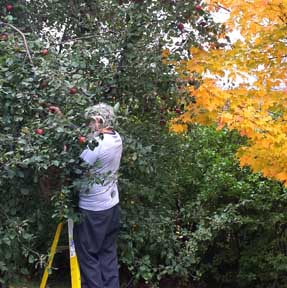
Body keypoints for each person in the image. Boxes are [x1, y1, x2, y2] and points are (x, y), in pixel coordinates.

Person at [50, 103, 123, 288]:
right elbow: (85, 138)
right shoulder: (115, 138)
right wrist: (62, 118)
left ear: (99, 121)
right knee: (107, 253)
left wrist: (65, 154)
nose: (89, 125)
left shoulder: (97, 145)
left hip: (94, 210)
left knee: (88, 254)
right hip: (112, 207)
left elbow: (76, 170)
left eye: (91, 121)